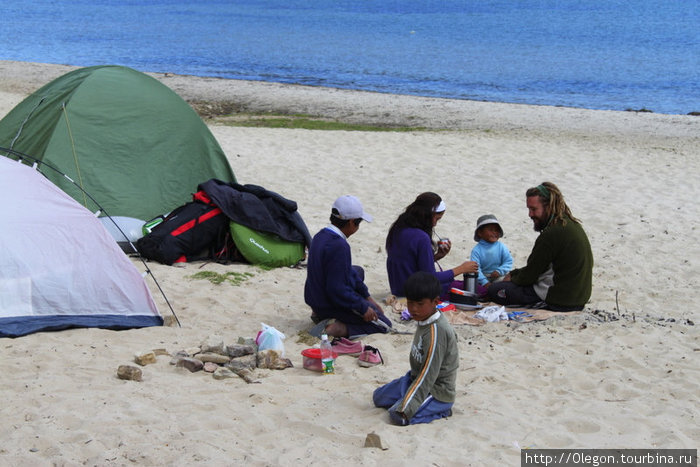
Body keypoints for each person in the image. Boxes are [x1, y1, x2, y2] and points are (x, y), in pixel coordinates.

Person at [488, 182, 593, 311]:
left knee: (495, 290)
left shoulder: (552, 233)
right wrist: (515, 274)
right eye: (528, 209)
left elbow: (530, 275)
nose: (530, 214)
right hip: (579, 298)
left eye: (533, 209)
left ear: (548, 207)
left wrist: (512, 277)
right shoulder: (571, 225)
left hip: (560, 300)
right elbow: (538, 267)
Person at [373, 271, 458, 425]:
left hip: (436, 391)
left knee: (398, 415)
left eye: (420, 304)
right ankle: (407, 397)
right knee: (378, 398)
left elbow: (428, 376)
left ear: (435, 302)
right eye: (410, 303)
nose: (414, 309)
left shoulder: (436, 333)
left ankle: (442, 410)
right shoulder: (423, 319)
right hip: (414, 379)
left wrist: (407, 407)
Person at [304, 195, 392, 338]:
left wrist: (367, 296)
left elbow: (348, 271)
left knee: (358, 271)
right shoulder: (339, 246)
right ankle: (337, 328)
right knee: (384, 325)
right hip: (327, 302)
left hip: (314, 296)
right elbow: (337, 289)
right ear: (351, 223)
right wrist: (363, 307)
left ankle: (319, 313)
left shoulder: (321, 235)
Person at [386, 192, 477, 297]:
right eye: (436, 219)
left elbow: (411, 264)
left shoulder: (398, 229)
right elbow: (430, 277)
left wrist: (438, 256)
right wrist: (461, 269)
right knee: (476, 289)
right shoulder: (421, 237)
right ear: (426, 215)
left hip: (398, 288)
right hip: (415, 292)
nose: (434, 224)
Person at [470, 214, 513, 297]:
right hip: (483, 277)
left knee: (508, 282)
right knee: (473, 285)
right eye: (491, 230)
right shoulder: (476, 250)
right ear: (480, 233)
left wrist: (499, 271)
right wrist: (485, 282)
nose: (494, 233)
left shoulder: (501, 246)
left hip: (499, 276)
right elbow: (475, 268)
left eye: (497, 230)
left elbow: (508, 262)